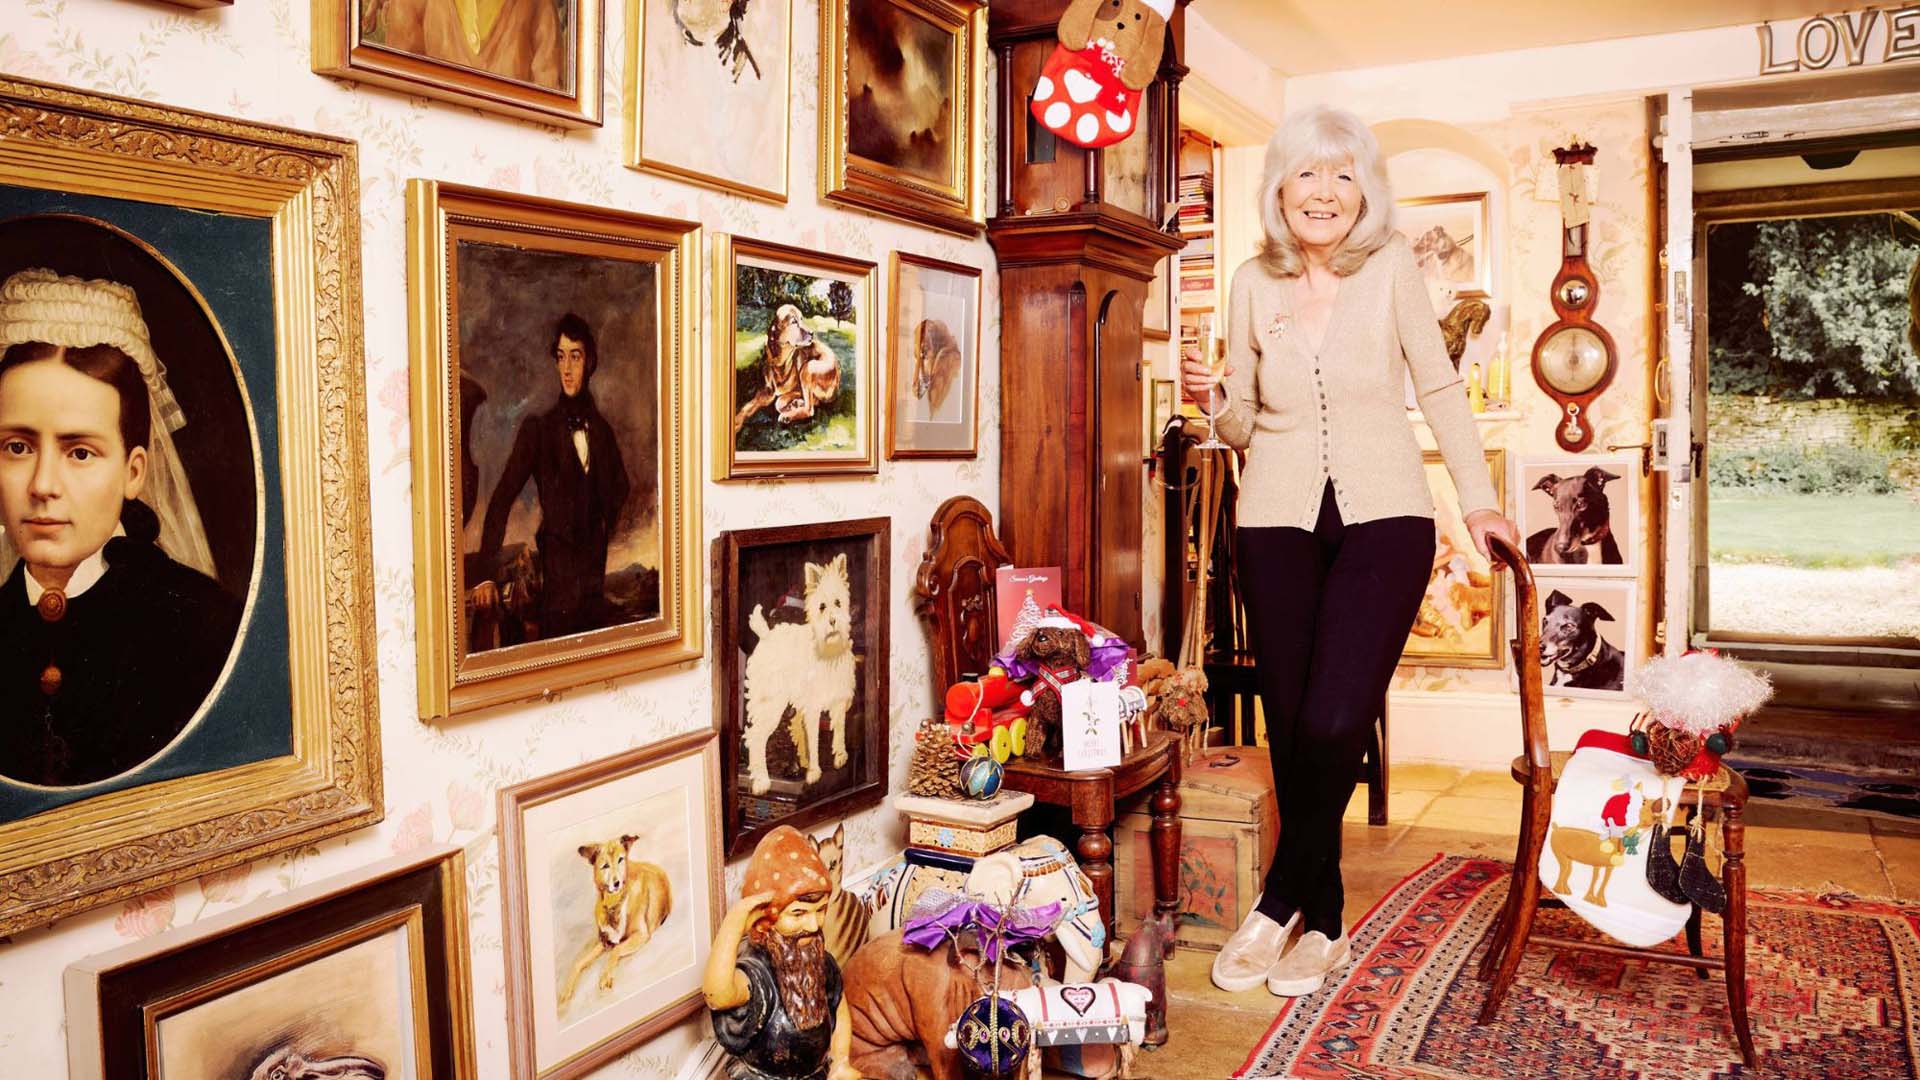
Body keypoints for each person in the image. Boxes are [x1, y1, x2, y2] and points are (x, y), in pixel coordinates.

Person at [1186, 106, 1521, 998]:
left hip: (1388, 517)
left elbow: (1442, 387)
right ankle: (1323, 919)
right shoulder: (1252, 282)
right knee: (1295, 726)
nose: (1323, 194)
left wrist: (1480, 503)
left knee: (1337, 719)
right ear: (1280, 191)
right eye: (1306, 175)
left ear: (1364, 190)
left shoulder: (1393, 272)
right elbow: (1245, 421)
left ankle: (1277, 896)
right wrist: (1214, 398)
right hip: (1275, 519)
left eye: (1342, 176)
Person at [0, 269, 241, 787]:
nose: (43, 485)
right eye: (17, 447)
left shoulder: (204, 623)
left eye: (79, 452)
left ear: (134, 472)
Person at [473, 313, 630, 642]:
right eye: (561, 357)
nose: (567, 369)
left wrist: (600, 531)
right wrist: (486, 575)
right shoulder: (539, 430)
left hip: (593, 587)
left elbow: (620, 489)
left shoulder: (601, 431)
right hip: (556, 590)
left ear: (590, 362)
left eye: (576, 356)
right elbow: (500, 500)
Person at [703, 825, 859, 1080]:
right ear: (766, 917)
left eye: (820, 910)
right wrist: (735, 922)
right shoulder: (757, 974)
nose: (813, 925)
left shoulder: (822, 964)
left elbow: (839, 1011)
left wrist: (841, 1061)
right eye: (798, 914)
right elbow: (717, 995)